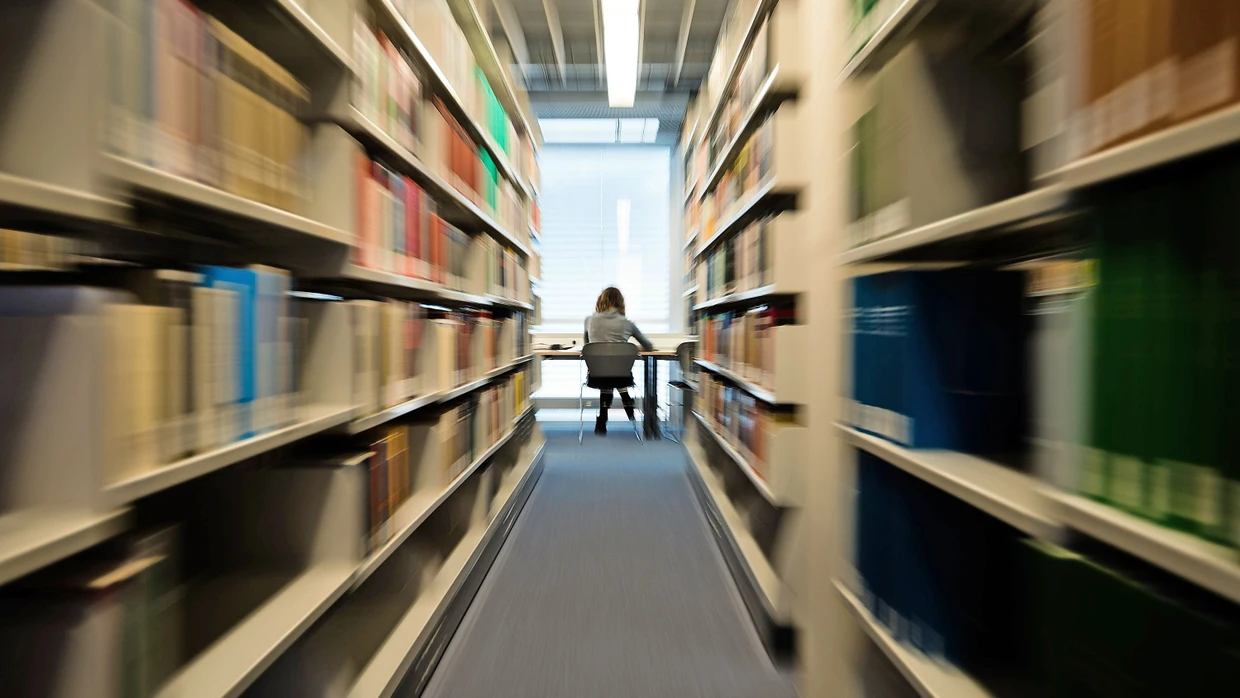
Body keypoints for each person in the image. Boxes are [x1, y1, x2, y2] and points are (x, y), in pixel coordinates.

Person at [584, 287, 653, 435]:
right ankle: (626, 399)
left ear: (601, 301)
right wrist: (630, 348)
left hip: (597, 375)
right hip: (622, 376)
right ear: (620, 302)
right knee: (615, 369)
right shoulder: (627, 323)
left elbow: (587, 346)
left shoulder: (589, 320)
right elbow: (649, 346)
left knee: (606, 370)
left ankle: (603, 417)